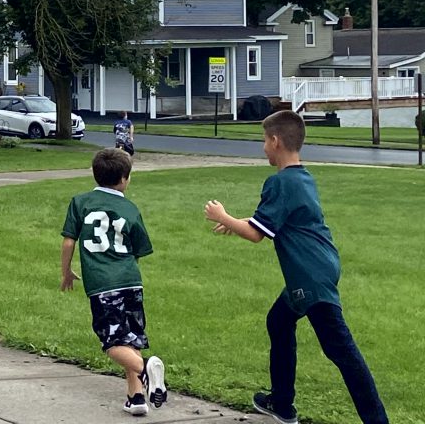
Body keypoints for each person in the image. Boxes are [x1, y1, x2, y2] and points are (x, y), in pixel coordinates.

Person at [203, 110, 388, 424]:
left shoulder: (278, 182)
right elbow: (278, 221)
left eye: (264, 140)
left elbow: (257, 235)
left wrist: (224, 216)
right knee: (278, 320)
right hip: (322, 265)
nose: (263, 147)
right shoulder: (302, 177)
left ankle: (376, 420)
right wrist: (237, 223)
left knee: (341, 350)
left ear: (275, 141)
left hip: (309, 275)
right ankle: (282, 403)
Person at [61, 148, 167, 417]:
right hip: (131, 280)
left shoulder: (80, 202)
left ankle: (147, 369)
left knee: (112, 341)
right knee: (129, 337)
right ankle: (136, 397)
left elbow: (69, 240)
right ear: (124, 178)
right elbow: (138, 249)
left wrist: (66, 271)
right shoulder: (130, 208)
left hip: (102, 283)